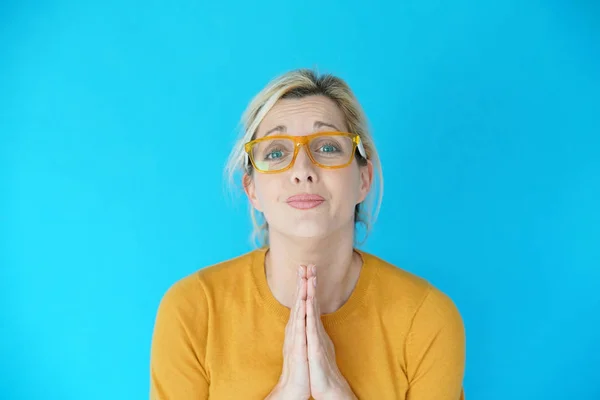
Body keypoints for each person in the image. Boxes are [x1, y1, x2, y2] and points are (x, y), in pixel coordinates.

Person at [149, 68, 466, 400]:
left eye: (327, 147)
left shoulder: (427, 319)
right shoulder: (193, 311)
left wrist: (338, 394)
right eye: (276, 152)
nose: (303, 171)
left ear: (364, 179)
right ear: (252, 189)